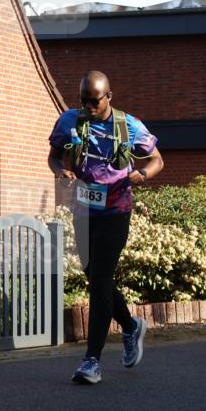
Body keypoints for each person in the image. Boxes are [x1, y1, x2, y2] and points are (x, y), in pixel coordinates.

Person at [48, 70, 164, 385]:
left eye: (95, 101)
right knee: (94, 276)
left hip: (116, 211)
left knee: (100, 278)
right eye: (83, 100)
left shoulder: (129, 126)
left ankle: (91, 361)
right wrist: (60, 171)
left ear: (109, 96)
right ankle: (131, 326)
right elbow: (54, 157)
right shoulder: (69, 121)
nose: (89, 106)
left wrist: (144, 174)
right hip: (84, 210)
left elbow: (157, 159)